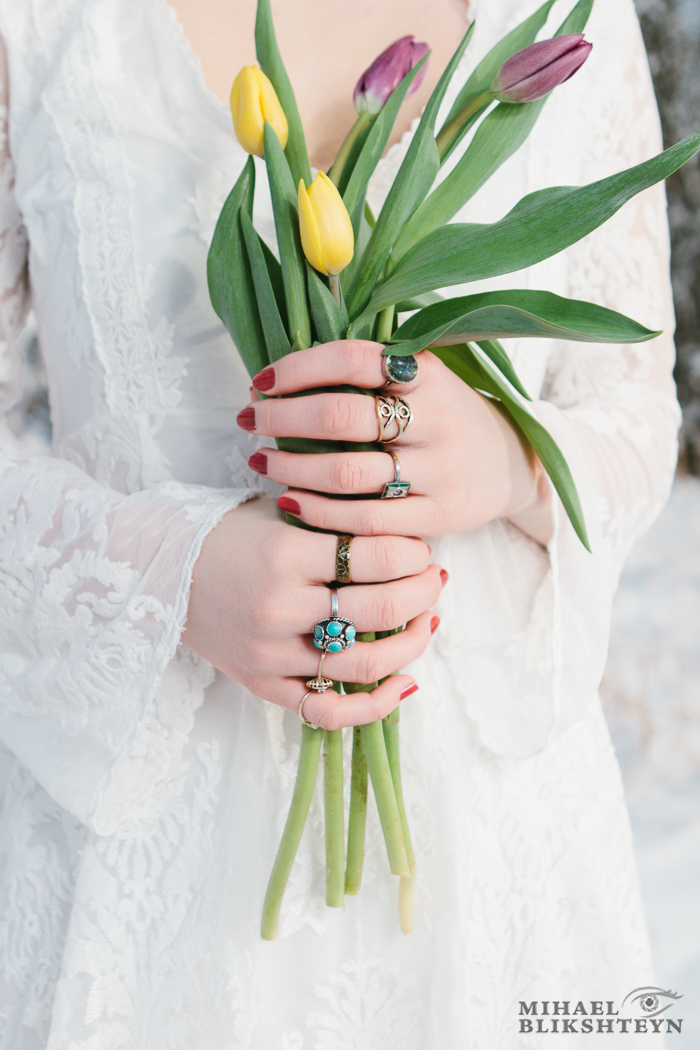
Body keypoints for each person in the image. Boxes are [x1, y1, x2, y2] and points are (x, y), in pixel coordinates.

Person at [0, 0, 679, 1045]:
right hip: (149, 876)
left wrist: (503, 456)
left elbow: (634, 410)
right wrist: (167, 573)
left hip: (494, 858)